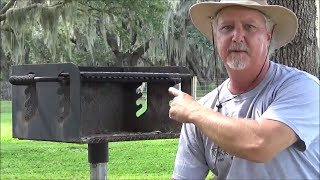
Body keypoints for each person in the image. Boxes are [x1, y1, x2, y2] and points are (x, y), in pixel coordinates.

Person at [168, 0, 320, 179]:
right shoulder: (203, 109)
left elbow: (261, 144)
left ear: (268, 36)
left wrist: (195, 112)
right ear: (216, 37)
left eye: (249, 27)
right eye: (227, 27)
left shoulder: (303, 88)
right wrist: (196, 113)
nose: (237, 37)